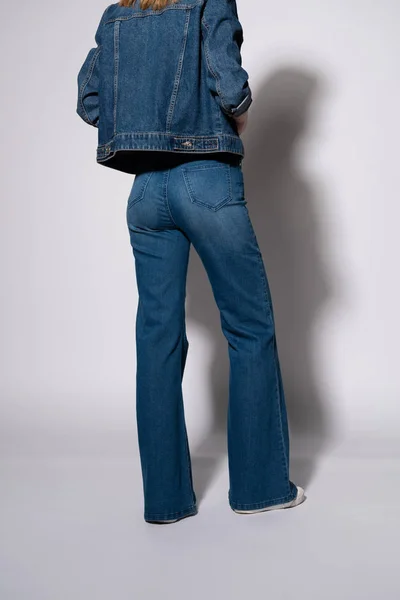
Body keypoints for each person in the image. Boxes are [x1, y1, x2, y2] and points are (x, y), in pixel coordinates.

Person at [76, 0, 306, 524]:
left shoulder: (116, 15)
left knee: (157, 337)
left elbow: (90, 100)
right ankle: (262, 488)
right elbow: (230, 84)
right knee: (249, 328)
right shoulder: (208, 3)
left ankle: (165, 501)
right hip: (206, 180)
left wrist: (134, 120)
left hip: (145, 192)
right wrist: (239, 116)